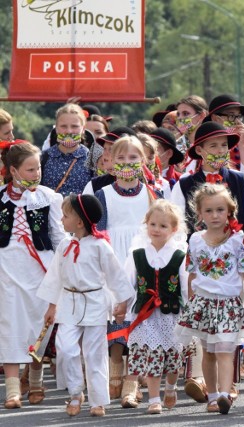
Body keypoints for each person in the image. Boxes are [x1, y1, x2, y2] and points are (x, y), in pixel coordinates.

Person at [170, 121, 244, 403]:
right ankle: (202, 381)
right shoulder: (184, 183)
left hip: (232, 265)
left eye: (224, 145)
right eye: (213, 146)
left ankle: (228, 385)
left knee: (230, 334)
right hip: (198, 264)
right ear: (199, 150)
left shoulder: (240, 180)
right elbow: (175, 227)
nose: (219, 151)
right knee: (203, 334)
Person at [37, 194, 134, 417]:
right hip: (69, 303)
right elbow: (55, 277)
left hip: (95, 304)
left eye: (65, 215)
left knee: (94, 353)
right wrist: (51, 307)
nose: (61, 219)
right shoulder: (64, 245)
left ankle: (97, 401)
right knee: (65, 348)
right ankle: (75, 392)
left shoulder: (101, 246)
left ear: (80, 222)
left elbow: (116, 276)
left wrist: (121, 303)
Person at [175, 183, 244, 414]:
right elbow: (192, 274)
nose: (215, 215)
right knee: (209, 353)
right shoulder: (195, 240)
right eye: (209, 211)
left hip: (228, 304)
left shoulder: (237, 239)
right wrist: (192, 302)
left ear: (229, 211)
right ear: (200, 214)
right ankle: (212, 395)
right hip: (203, 304)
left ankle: (224, 394)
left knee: (225, 350)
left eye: (220, 210)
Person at [94, 135, 162, 400]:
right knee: (116, 313)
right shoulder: (103, 194)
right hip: (114, 259)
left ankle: (132, 381)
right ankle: (114, 368)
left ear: (143, 161)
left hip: (143, 260)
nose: (126, 163)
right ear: (110, 161)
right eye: (120, 158)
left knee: (140, 315)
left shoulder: (153, 193)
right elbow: (98, 231)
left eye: (133, 157)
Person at [0, 142, 65, 409]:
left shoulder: (49, 197)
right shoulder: (0, 198)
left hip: (40, 268)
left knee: (41, 325)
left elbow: (58, 235)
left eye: (38, 167)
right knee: (9, 325)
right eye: (30, 169)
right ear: (13, 170)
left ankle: (36, 381)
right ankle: (13, 390)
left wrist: (67, 263)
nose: (36, 173)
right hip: (7, 268)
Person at [118, 200, 189, 414]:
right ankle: (153, 399)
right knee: (152, 355)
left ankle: (171, 386)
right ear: (146, 224)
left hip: (171, 314)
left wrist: (191, 311)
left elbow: (186, 287)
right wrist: (121, 305)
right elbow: (127, 283)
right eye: (153, 224)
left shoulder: (179, 255)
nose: (157, 229)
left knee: (173, 358)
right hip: (145, 315)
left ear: (174, 229)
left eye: (163, 226)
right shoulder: (137, 254)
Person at [41, 104, 94, 196]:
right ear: (56, 128)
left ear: (83, 129)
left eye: (74, 126)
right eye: (63, 126)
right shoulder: (44, 158)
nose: (69, 131)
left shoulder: (92, 159)